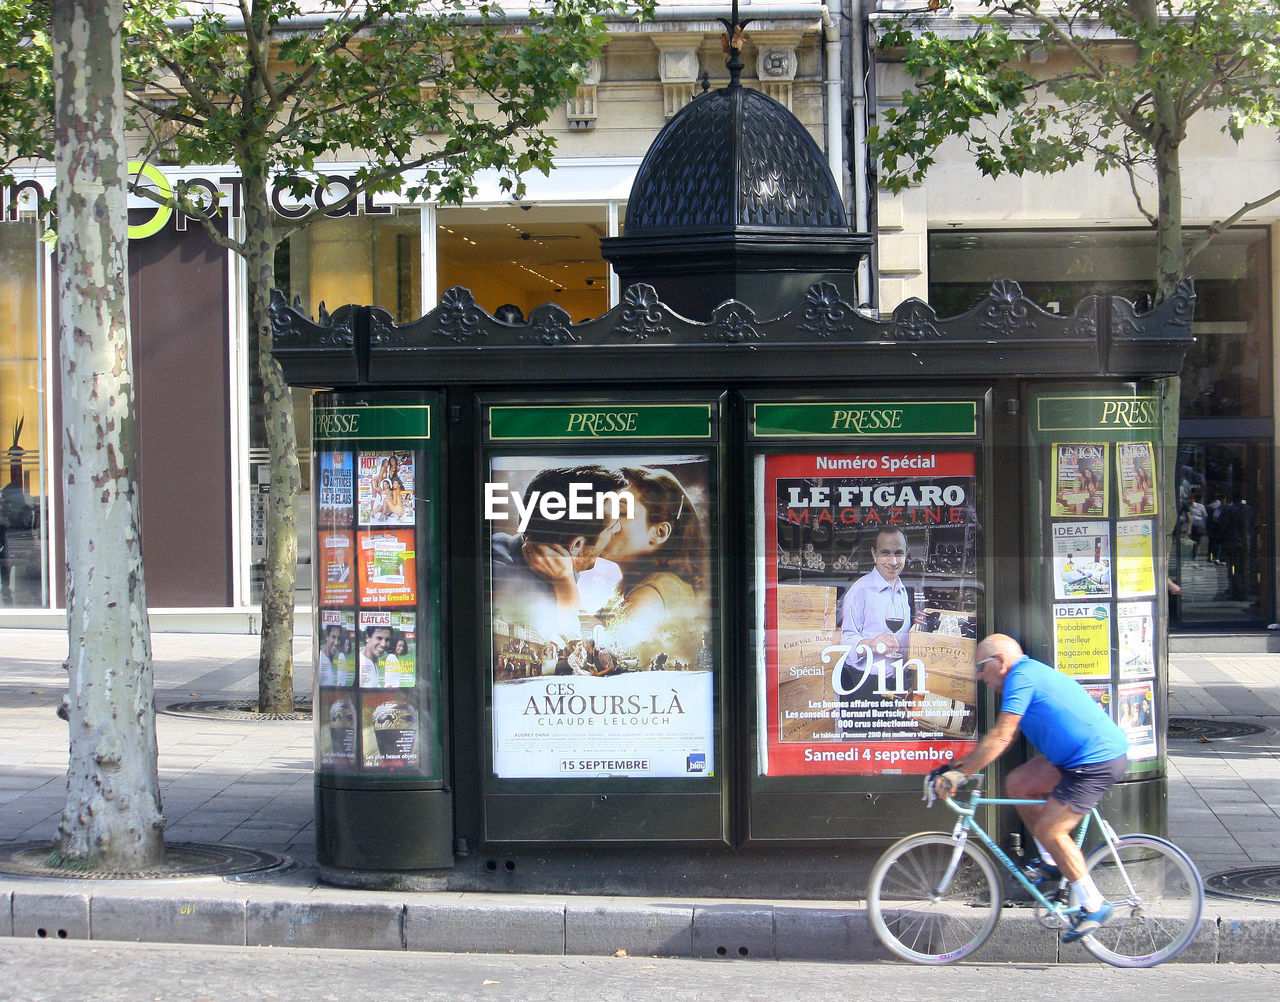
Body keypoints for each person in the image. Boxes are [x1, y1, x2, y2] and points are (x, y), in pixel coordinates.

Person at [932, 633, 1129, 943]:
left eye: (982, 668)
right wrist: (961, 768)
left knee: (1052, 831)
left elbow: (1000, 736)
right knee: (1019, 783)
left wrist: (961, 773)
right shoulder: (1023, 676)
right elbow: (1005, 738)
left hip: (1095, 761)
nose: (980, 677)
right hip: (1072, 758)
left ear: (1000, 662)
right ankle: (1052, 864)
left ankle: (1094, 905)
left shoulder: (1022, 677)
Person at [490, 464, 628, 643]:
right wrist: (565, 585)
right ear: (576, 545)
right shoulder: (507, 581)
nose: (617, 528)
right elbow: (583, 649)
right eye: (612, 525)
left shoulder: (510, 548)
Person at [839, 528, 913, 686]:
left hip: (899, 682)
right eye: (885, 553)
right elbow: (845, 642)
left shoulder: (902, 590)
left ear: (906, 553)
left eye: (898, 553)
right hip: (866, 683)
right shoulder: (860, 590)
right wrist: (871, 644)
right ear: (874, 554)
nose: (893, 562)